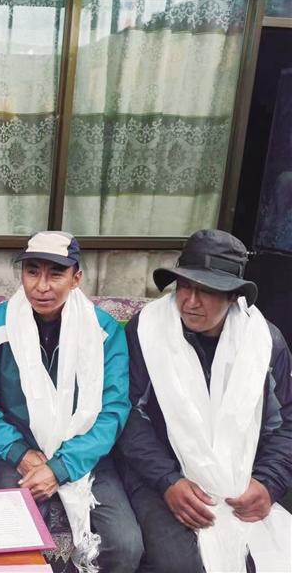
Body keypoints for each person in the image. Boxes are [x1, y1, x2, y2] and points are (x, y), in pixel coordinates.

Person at [0, 231, 142, 573]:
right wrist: (18, 452)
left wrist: (61, 467)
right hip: (20, 451)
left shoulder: (103, 332)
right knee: (18, 541)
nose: (41, 286)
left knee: (126, 544)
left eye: (55, 274)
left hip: (86, 453)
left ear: (76, 278)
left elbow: (113, 410)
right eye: (32, 272)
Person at [116, 229, 292, 572]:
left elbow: (287, 422)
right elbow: (127, 415)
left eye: (208, 290)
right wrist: (168, 481)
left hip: (239, 474)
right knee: (181, 564)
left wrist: (268, 482)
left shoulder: (264, 342)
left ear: (234, 296)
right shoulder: (147, 330)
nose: (190, 301)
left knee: (266, 559)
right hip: (159, 473)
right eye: (184, 286)